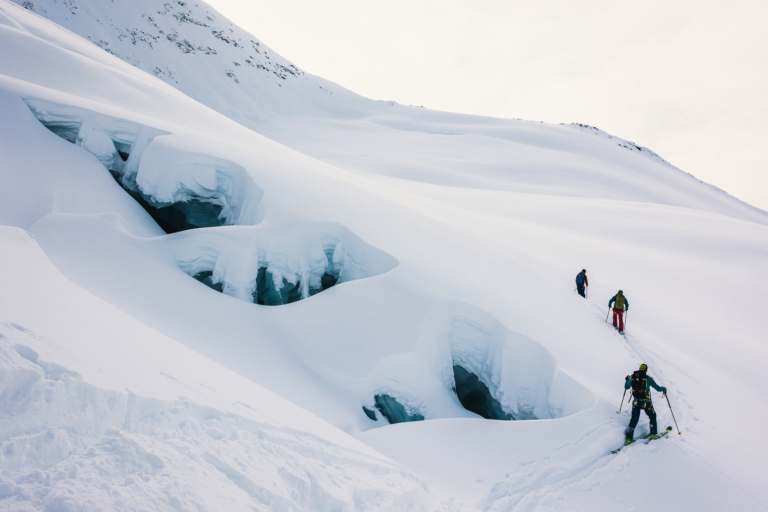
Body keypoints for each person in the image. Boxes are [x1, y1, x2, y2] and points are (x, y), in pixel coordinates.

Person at [624, 363, 667, 444]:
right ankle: (653, 434)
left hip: (636, 402)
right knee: (652, 416)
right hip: (646, 403)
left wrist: (627, 380)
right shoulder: (649, 379)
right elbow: (658, 388)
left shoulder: (633, 377)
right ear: (646, 370)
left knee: (634, 419)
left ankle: (629, 438)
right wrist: (663, 389)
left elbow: (626, 387)